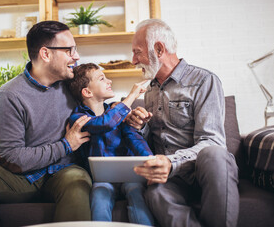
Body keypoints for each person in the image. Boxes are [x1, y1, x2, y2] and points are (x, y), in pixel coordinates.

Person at [0, 21, 93, 227]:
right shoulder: (9, 96)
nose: (76, 56)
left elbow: (103, 108)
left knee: (77, 180)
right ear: (45, 54)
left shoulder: (73, 85)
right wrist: (65, 145)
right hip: (22, 178)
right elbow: (13, 158)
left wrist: (130, 115)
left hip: (64, 172)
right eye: (69, 50)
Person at [126, 19, 239, 227]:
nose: (133, 60)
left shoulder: (204, 81)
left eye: (137, 52)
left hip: (204, 169)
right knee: (156, 192)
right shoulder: (150, 90)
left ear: (158, 49)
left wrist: (171, 162)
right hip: (173, 178)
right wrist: (140, 127)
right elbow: (153, 141)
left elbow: (212, 141)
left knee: (215, 154)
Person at [67, 63, 155, 226]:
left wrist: (150, 159)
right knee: (100, 196)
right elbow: (104, 123)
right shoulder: (78, 118)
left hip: (128, 175)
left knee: (136, 191)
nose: (109, 81)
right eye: (102, 78)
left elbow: (134, 138)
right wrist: (131, 97)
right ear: (87, 92)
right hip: (101, 179)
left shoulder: (117, 112)